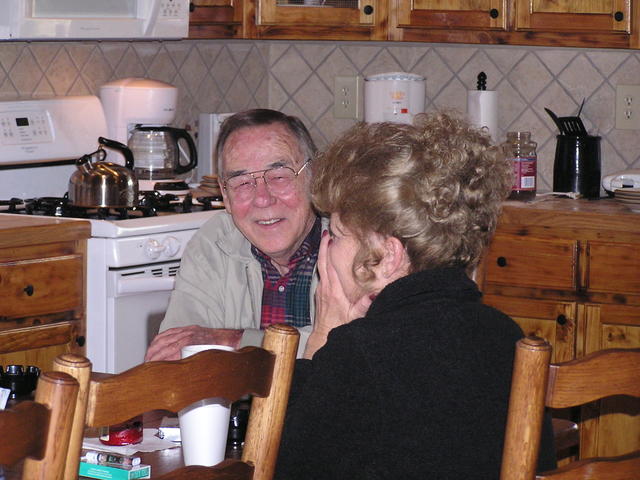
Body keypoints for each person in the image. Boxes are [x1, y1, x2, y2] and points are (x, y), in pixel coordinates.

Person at [275, 112, 556, 479]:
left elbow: (282, 468)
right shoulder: (506, 335)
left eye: (338, 233)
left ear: (387, 256)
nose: (325, 248)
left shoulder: (358, 353)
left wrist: (322, 337)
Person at [145, 109, 322, 361]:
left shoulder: (351, 243)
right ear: (225, 196)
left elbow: (347, 353)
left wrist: (233, 340)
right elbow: (178, 353)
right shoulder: (215, 241)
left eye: (279, 176)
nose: (263, 198)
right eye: (242, 183)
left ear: (314, 177)